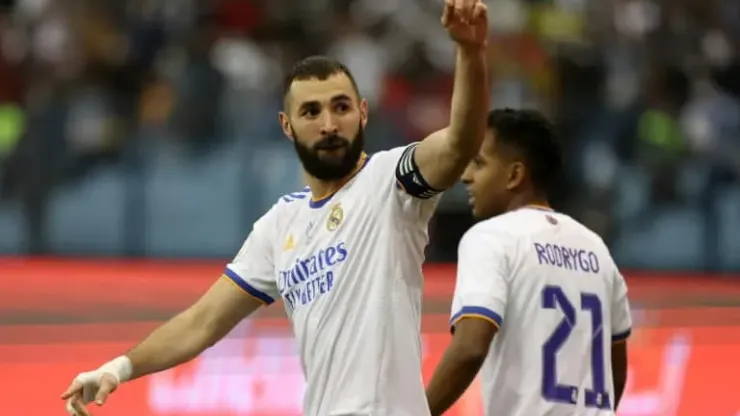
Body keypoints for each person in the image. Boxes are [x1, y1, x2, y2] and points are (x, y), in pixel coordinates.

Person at [60, 1, 490, 415]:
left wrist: (469, 53)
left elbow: (459, 143)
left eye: (340, 107)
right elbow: (201, 323)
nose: (328, 124)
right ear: (287, 126)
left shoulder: (391, 180)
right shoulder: (280, 225)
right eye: (311, 111)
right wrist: (117, 368)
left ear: (362, 113)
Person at [425, 109, 632, 416]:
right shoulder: (597, 250)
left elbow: (470, 348)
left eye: (479, 163)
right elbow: (615, 371)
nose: (466, 175)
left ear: (515, 175)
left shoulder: (491, 237)